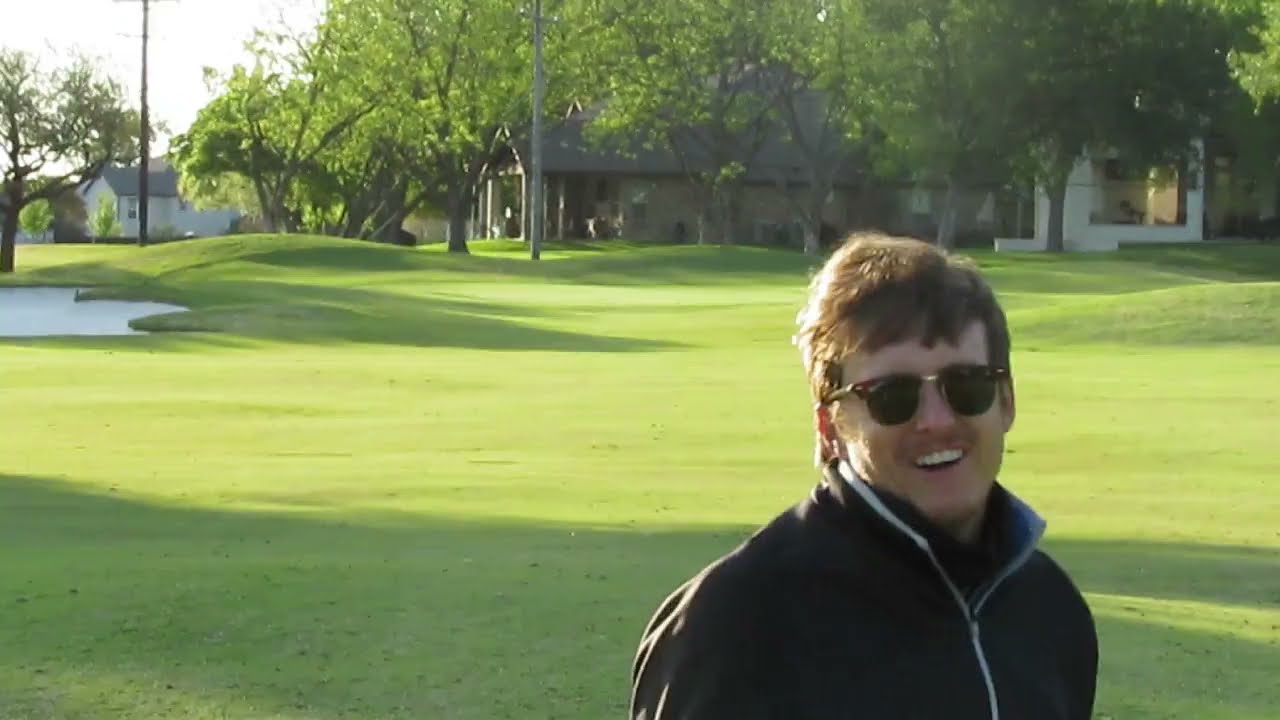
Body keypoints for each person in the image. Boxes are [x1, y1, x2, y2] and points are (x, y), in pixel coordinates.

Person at [629, 232, 1098, 720]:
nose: (937, 421)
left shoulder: (1050, 608)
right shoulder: (734, 622)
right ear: (829, 426)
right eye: (892, 396)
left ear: (1007, 401)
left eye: (967, 385)